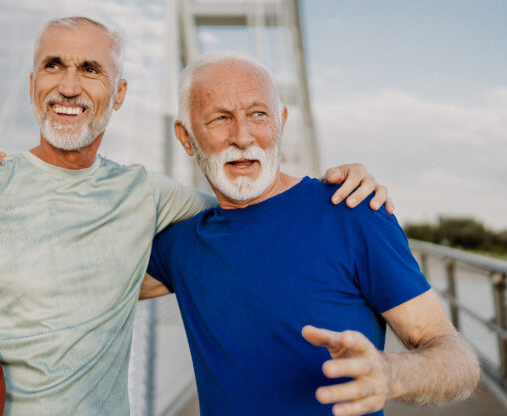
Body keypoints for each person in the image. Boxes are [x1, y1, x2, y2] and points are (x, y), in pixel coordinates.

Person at [0, 17, 391, 416]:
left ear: (119, 94)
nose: (69, 85)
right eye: (53, 66)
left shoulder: (147, 195)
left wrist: (336, 188)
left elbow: (252, 208)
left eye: (90, 69)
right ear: (32, 83)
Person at [135, 51, 480, 416]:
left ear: (281, 123)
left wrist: (392, 373)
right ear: (186, 138)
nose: (243, 135)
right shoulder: (183, 243)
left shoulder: (352, 211)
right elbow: (88, 287)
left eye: (258, 114)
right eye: (220, 118)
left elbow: (458, 362)